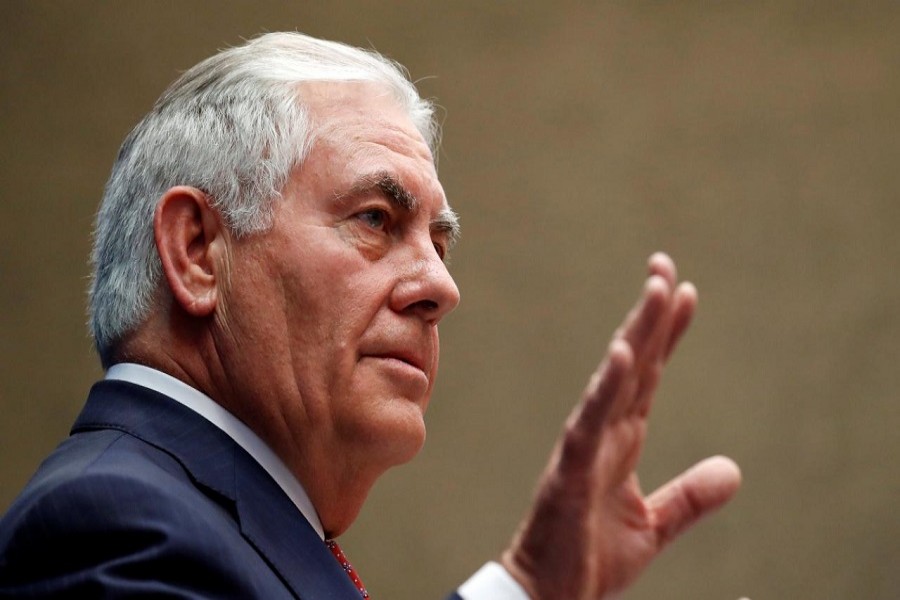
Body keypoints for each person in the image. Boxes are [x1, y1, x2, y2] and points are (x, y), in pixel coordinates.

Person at [0, 32, 741, 599]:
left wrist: (532, 586)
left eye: (439, 244)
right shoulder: (113, 526)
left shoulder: (207, 517)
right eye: (376, 219)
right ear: (198, 252)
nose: (441, 286)